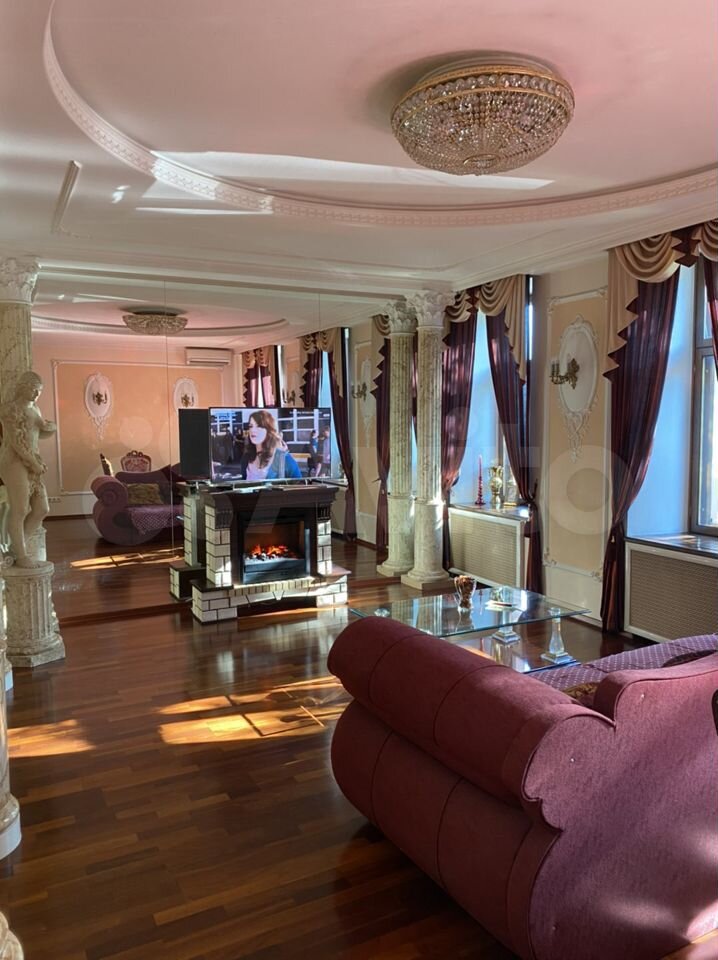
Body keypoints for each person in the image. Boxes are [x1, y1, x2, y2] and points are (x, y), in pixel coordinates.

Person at [0, 371, 57, 567]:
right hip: (14, 461)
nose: (36, 394)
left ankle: (15, 549)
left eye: (39, 391)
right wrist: (33, 463)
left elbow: (39, 431)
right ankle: (22, 556)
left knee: (42, 508)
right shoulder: (10, 409)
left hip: (33, 460)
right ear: (23, 387)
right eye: (33, 389)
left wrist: (50, 427)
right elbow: (16, 442)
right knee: (21, 509)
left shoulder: (35, 409)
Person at [239, 410, 301, 480]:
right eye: (251, 426)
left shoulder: (284, 459)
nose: (253, 430)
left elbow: (300, 484)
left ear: (269, 430)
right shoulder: (246, 458)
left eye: (259, 426)